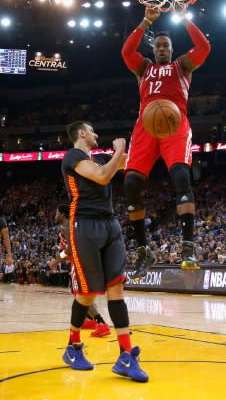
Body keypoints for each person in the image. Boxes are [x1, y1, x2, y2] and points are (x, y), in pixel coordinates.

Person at [121, 6, 211, 278]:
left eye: (166, 45)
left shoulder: (182, 65)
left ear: (171, 49)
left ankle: (187, 246)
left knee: (181, 178)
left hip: (175, 126)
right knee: (131, 183)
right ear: (154, 49)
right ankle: (142, 250)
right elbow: (126, 53)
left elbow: (204, 47)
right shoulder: (144, 68)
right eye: (158, 45)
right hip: (145, 127)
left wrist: (185, 18)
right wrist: (146, 20)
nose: (161, 49)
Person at [60, 121, 148, 382]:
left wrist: (142, 144)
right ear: (83, 133)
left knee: (116, 288)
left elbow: (125, 167)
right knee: (87, 295)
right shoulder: (73, 157)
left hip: (110, 224)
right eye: (93, 130)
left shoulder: (97, 159)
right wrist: (119, 149)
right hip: (85, 225)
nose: (97, 134)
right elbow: (101, 176)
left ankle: (125, 355)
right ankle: (72, 347)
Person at [52, 204, 111, 338]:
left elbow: (71, 249)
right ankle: (89, 320)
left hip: (78, 261)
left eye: (56, 213)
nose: (55, 216)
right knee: (84, 292)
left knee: (80, 293)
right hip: (86, 258)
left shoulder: (66, 225)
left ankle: (101, 323)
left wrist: (56, 260)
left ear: (62, 214)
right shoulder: (74, 224)